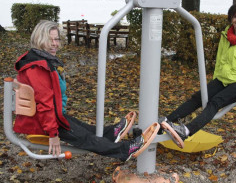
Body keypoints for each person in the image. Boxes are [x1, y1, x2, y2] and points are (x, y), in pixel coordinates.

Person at [13, 20, 149, 162]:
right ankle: (125, 150)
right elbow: (44, 103)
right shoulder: (37, 67)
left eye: (56, 39)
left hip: (52, 117)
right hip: (43, 123)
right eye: (49, 40)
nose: (54, 44)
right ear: (39, 40)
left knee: (85, 128)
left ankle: (112, 133)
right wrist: (53, 134)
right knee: (86, 138)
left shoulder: (41, 60)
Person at [161, 4, 236, 148]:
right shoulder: (227, 35)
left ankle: (186, 130)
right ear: (231, 18)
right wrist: (216, 80)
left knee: (215, 102)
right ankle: (165, 122)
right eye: (235, 17)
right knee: (198, 97)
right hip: (223, 79)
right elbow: (220, 59)